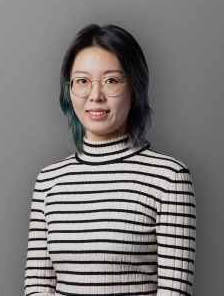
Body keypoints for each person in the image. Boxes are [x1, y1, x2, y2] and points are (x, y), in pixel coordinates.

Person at [25, 24, 196, 295]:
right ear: (68, 91)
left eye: (111, 80)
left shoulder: (169, 178)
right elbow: (37, 286)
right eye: (82, 81)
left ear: (135, 87)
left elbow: (174, 292)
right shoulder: (49, 180)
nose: (95, 96)